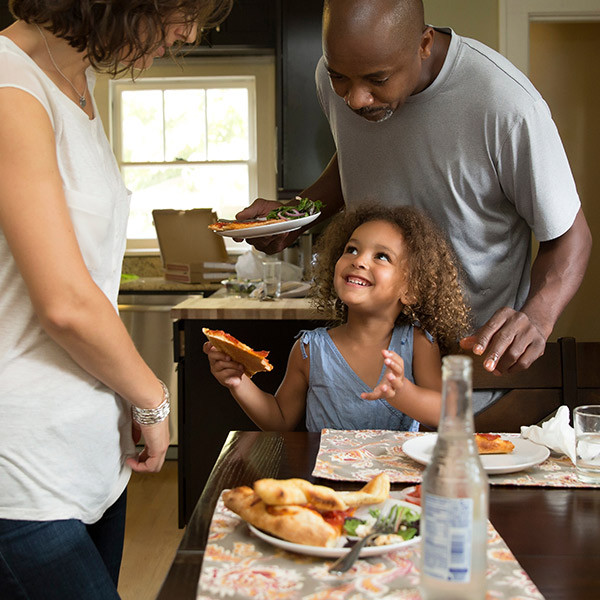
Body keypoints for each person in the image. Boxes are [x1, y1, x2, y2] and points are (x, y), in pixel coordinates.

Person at [235, 0, 592, 412]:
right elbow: (357, 155)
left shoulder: (505, 105)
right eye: (339, 78)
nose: (355, 99)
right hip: (378, 367)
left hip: (473, 373)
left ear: (423, 44)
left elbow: (571, 237)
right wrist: (298, 212)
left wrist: (538, 316)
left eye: (377, 79)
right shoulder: (341, 77)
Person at [0, 1, 231, 598]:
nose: (189, 33)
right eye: (181, 11)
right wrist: (152, 396)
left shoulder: (80, 81)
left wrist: (125, 397)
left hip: (91, 454)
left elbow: (88, 283)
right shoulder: (9, 84)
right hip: (20, 466)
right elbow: (67, 303)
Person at [205, 205, 470, 431]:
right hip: (326, 487)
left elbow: (447, 414)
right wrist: (239, 382)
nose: (359, 260)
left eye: (381, 256)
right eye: (352, 249)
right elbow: (280, 420)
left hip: (395, 487)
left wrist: (403, 393)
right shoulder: (309, 350)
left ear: (411, 289)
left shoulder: (419, 343)